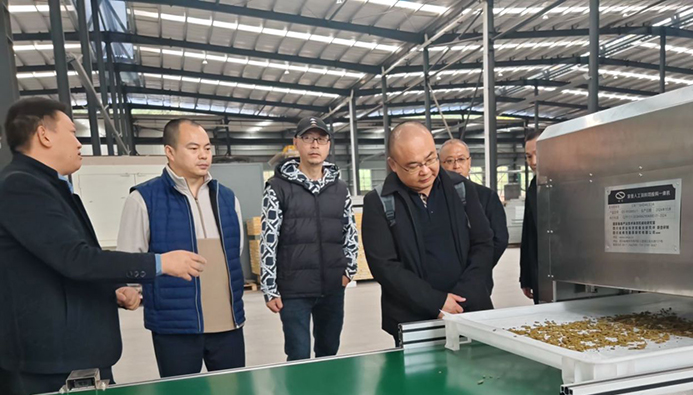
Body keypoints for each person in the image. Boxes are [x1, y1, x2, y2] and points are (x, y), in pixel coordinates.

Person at [0, 98, 205, 395]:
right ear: (44, 135)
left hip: (71, 356)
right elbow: (75, 259)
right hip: (50, 362)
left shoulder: (48, 186)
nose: (79, 143)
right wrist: (160, 263)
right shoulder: (21, 186)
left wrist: (112, 290)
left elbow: (57, 265)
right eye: (72, 132)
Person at [117, 119, 246, 378]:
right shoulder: (144, 199)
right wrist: (129, 290)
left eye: (207, 148)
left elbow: (237, 249)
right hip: (175, 327)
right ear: (170, 152)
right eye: (193, 148)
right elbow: (129, 259)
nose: (203, 155)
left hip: (227, 323)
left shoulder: (226, 197)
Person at [362, 122, 494, 343]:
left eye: (431, 159)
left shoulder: (461, 188)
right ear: (393, 164)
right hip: (413, 321)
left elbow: (484, 243)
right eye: (413, 166)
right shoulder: (379, 202)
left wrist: (463, 296)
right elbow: (384, 266)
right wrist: (436, 302)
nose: (425, 171)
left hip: (469, 311)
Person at [260, 117, 358, 361]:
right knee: (298, 354)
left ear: (329, 145)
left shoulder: (340, 188)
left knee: (329, 351)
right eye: (308, 138)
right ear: (296, 143)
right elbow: (268, 239)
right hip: (294, 289)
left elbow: (350, 232)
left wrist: (349, 271)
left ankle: (328, 387)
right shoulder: (277, 187)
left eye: (321, 139)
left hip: (332, 287)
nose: (315, 145)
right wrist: (270, 287)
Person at [439, 138, 508, 293]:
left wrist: (478, 268)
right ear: (440, 165)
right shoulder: (433, 198)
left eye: (461, 159)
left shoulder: (487, 196)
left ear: (469, 162)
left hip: (477, 280)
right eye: (449, 161)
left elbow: (500, 239)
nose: (456, 166)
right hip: (442, 284)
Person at [520, 130, 540, 303]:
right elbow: (528, 234)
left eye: (538, 154)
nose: (533, 162)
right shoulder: (534, 186)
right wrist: (526, 277)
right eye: (528, 157)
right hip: (540, 272)